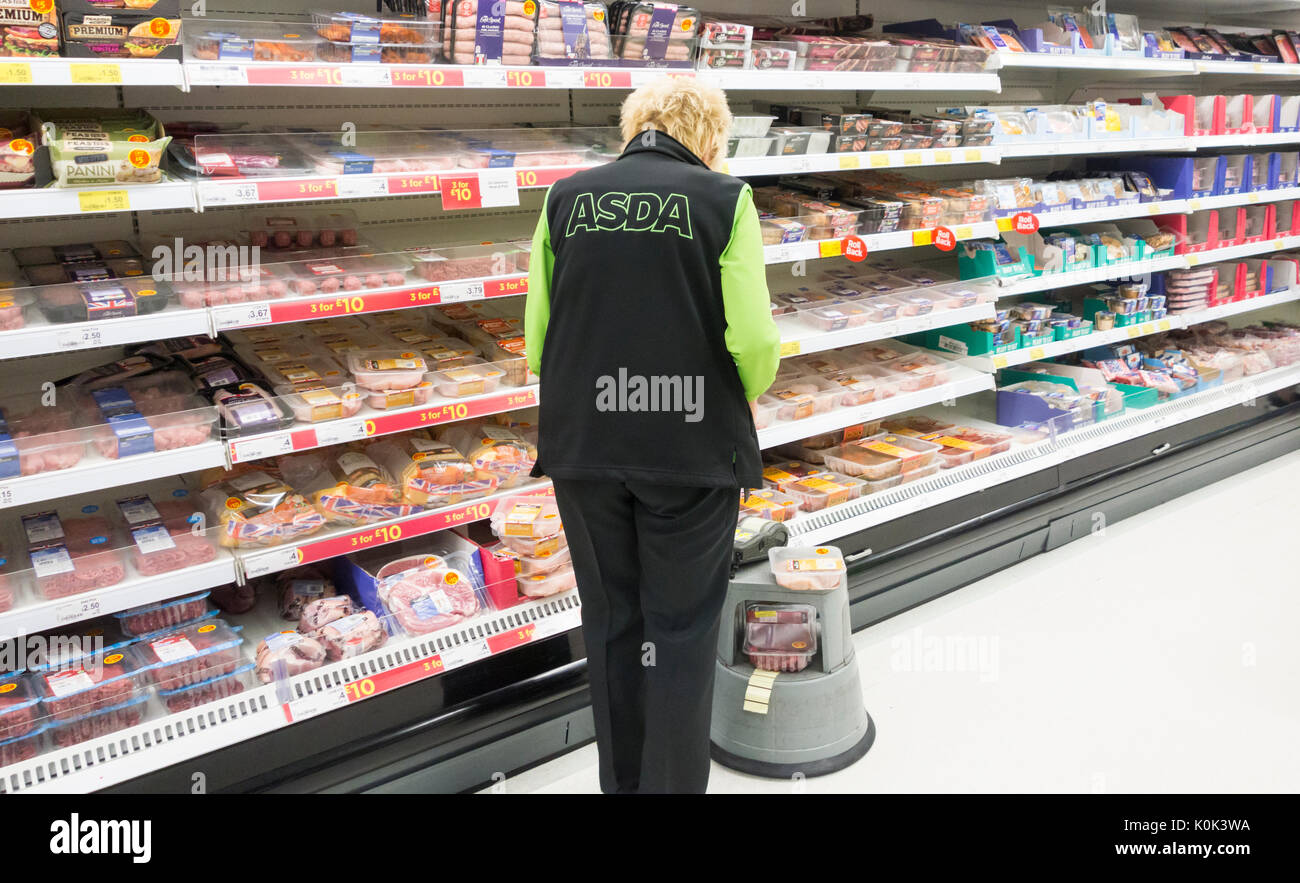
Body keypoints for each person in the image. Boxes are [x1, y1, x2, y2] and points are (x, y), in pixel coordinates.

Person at [524, 77, 780, 794]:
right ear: (708, 137)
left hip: (585, 447)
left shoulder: (565, 197)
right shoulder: (726, 200)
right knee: (682, 630)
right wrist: (735, 395)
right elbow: (754, 342)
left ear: (635, 126)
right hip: (691, 454)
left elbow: (537, 339)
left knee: (611, 622)